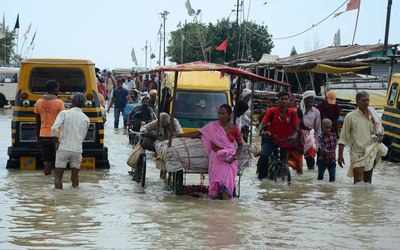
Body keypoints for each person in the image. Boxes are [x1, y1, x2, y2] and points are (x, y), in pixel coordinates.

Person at [338, 91, 387, 184]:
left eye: (368, 100)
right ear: (357, 102)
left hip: (371, 152)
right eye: (363, 100)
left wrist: (380, 136)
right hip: (357, 153)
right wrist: (340, 155)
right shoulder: (350, 117)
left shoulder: (373, 115)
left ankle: (366, 199)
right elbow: (343, 137)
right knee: (358, 183)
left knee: (368, 182)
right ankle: (357, 198)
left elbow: (380, 131)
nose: (366, 103)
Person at [257, 91, 300, 179]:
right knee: (264, 156)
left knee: (285, 163)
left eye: (286, 99)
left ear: (288, 101)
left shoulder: (293, 113)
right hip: (271, 139)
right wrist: (262, 131)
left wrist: (294, 136)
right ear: (278, 101)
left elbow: (296, 129)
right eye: (282, 99)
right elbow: (263, 123)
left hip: (286, 141)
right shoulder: (271, 111)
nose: (284, 101)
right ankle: (262, 178)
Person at [52, 94, 90, 189]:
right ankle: (75, 197)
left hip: (63, 148)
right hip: (77, 150)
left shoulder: (64, 113)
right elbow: (83, 136)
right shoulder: (86, 118)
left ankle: (58, 198)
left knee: (58, 177)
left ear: (72, 102)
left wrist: (56, 142)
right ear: (83, 104)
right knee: (75, 177)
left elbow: (54, 128)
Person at [34, 80, 65, 175]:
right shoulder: (59, 103)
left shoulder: (38, 102)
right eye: (58, 88)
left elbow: (37, 120)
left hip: (43, 135)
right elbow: (63, 121)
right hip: (55, 137)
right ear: (55, 89)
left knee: (47, 162)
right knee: (58, 163)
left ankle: (45, 184)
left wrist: (38, 136)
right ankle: (55, 186)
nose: (58, 90)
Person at [300, 90, 321, 170]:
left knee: (310, 161)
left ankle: (310, 180)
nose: (310, 101)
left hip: (310, 138)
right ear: (304, 99)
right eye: (308, 99)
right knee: (296, 162)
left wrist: (317, 143)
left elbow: (318, 129)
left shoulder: (316, 112)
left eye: (312, 99)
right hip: (298, 138)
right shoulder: (299, 111)